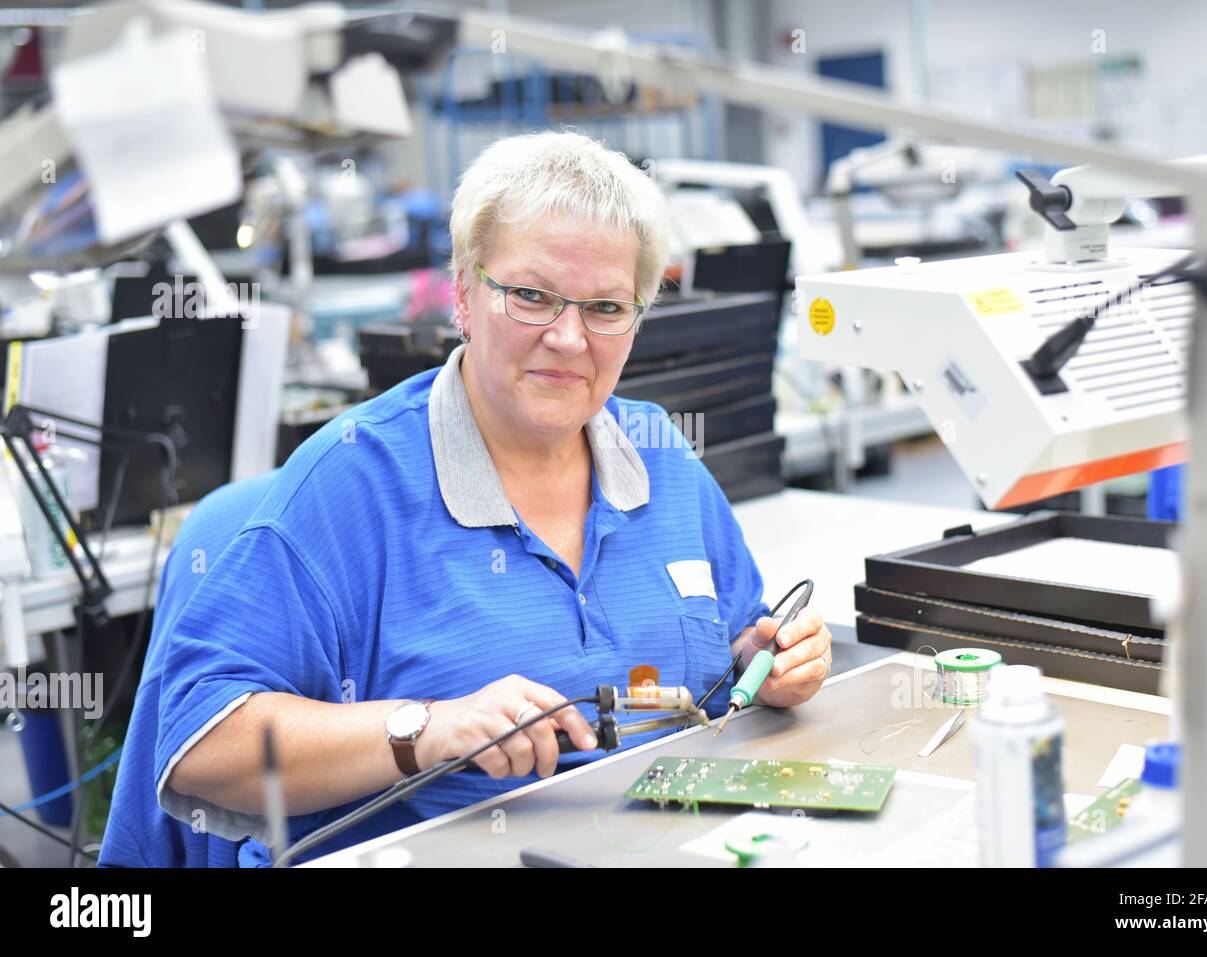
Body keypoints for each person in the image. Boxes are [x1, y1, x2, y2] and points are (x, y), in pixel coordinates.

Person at [152, 131, 833, 865]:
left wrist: (769, 660)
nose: (569, 338)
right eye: (532, 295)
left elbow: (732, 648)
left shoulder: (660, 453)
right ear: (463, 294)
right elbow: (200, 742)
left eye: (607, 306)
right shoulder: (352, 482)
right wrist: (425, 728)